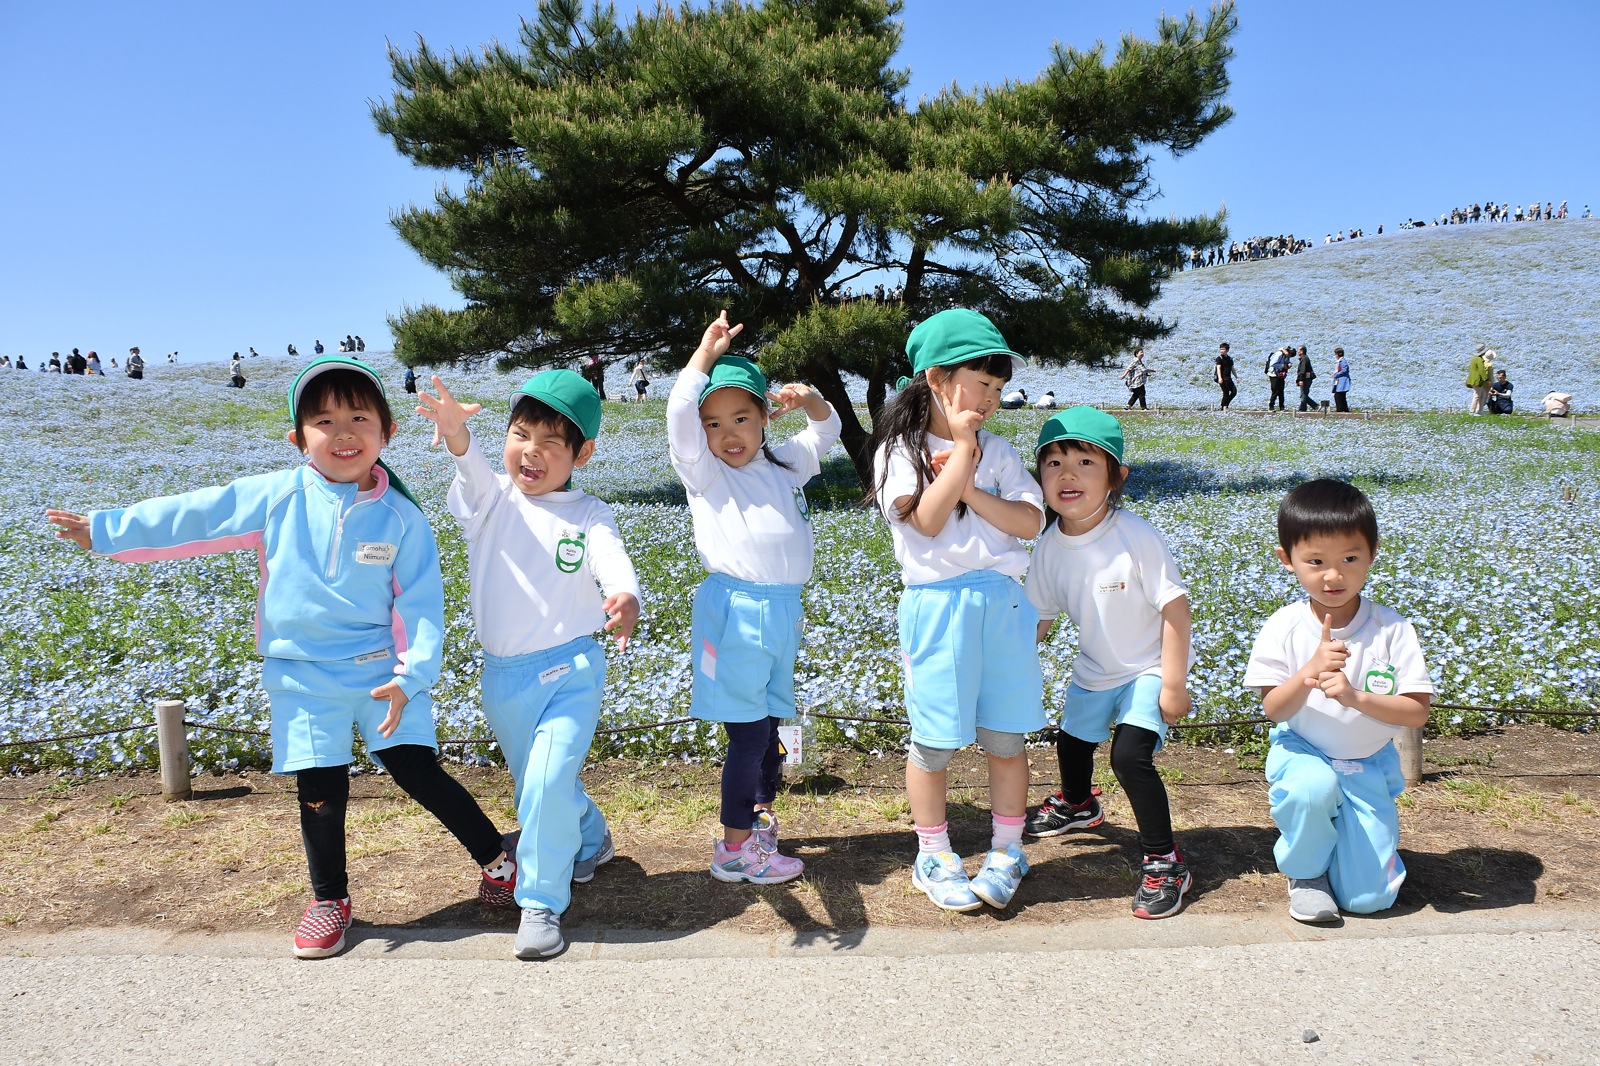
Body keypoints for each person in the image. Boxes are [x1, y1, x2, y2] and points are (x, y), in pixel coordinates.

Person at [45, 355, 519, 959]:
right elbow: (198, 514)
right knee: (319, 787)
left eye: (358, 417)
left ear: (386, 432)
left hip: (382, 673)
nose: (343, 433)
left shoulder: (402, 516)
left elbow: (423, 606)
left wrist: (413, 674)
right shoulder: (275, 496)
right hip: (300, 674)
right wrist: (108, 529)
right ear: (299, 439)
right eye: (323, 421)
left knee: (418, 772)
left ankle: (497, 860)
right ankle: (330, 900)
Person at [415, 368, 640, 961]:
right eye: (520, 435)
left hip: (572, 670)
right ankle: (591, 835)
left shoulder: (589, 513)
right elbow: (471, 469)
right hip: (504, 678)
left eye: (551, 442)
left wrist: (623, 594)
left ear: (582, 453)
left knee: (540, 784)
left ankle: (541, 902)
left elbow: (610, 560)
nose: (531, 453)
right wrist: (460, 436)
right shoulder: (492, 502)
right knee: (539, 780)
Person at [867, 308, 1046, 912]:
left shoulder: (999, 452)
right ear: (938, 379)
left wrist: (969, 478)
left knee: (1005, 734)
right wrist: (965, 452)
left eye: (999, 387)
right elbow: (926, 519)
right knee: (936, 741)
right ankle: (934, 853)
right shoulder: (900, 450)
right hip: (938, 606)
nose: (993, 397)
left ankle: (1007, 848)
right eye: (983, 383)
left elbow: (1029, 520)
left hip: (1002, 604)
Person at [669, 311, 842, 888]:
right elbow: (677, 414)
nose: (729, 434)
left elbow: (827, 431)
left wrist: (812, 397)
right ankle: (735, 849)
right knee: (747, 733)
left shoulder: (782, 464)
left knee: (769, 723)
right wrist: (704, 355)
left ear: (766, 418)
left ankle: (759, 815)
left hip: (781, 611)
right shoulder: (705, 474)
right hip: (735, 611)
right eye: (713, 424)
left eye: (741, 418)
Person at [1024, 407, 1196, 918]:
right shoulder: (1048, 547)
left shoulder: (1134, 535)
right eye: (1053, 463)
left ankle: (1166, 861)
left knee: (1128, 757)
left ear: (1117, 477)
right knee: (1072, 740)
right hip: (1096, 670)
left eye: (1084, 462)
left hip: (1148, 667)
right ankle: (1079, 804)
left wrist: (1173, 683)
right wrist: (1000, 667)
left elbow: (1176, 609)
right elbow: (1039, 620)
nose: (1067, 474)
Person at [1243, 480, 1433, 922]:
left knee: (1370, 901)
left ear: (1373, 553)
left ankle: (1352, 851)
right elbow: (1275, 710)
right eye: (1316, 561)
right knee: (1312, 788)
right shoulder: (1284, 626)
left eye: (1350, 559)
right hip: (1303, 750)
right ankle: (1306, 873)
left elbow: (1417, 710)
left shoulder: (1392, 628)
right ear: (1286, 560)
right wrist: (1308, 673)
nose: (1334, 575)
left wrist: (1354, 696)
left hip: (1368, 762)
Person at [1465, 344, 1492, 414]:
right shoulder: (1479, 360)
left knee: (1483, 395)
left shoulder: (1473, 359)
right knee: (1477, 395)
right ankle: (1472, 411)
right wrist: (1486, 380)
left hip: (1474, 379)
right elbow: (1482, 370)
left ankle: (1479, 410)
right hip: (1477, 380)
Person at [1214, 342, 1236, 410]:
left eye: (1223, 349)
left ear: (1227, 350)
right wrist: (1220, 378)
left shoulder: (1230, 359)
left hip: (1228, 378)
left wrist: (1236, 377)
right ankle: (1223, 406)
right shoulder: (1219, 358)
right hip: (1222, 378)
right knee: (1226, 393)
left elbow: (1232, 368)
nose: (1221, 351)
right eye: (1221, 349)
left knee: (1234, 392)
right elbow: (1218, 368)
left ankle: (1225, 405)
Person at [1294, 345, 1316, 411]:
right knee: (1304, 395)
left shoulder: (1304, 359)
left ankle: (1302, 409)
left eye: (1299, 350)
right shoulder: (1304, 358)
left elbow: (1302, 370)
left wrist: (1300, 380)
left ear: (1302, 351)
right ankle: (1315, 406)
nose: (1297, 352)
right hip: (1306, 379)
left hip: (1305, 379)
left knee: (1303, 395)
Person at [1330, 347, 1351, 412]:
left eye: (1336, 354)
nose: (1335, 356)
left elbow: (1345, 370)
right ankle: (1344, 410)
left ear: (1339, 354)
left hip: (1342, 381)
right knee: (1340, 396)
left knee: (1338, 396)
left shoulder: (1343, 361)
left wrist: (1336, 375)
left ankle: (1340, 410)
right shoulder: (1340, 361)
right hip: (1339, 381)